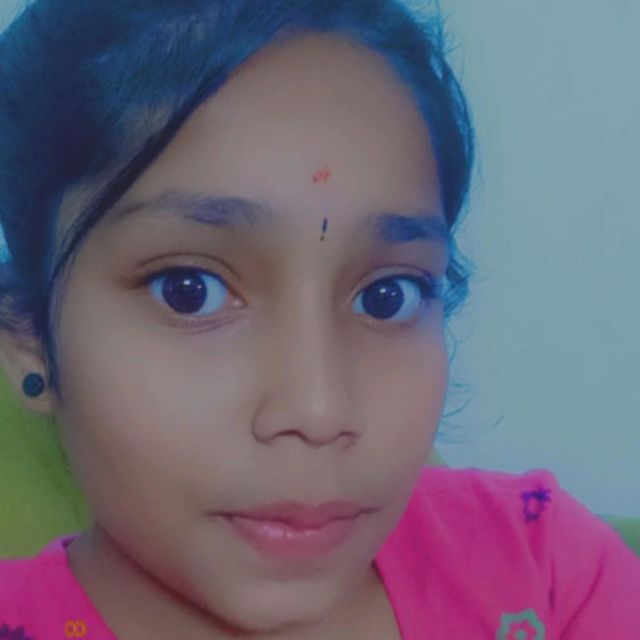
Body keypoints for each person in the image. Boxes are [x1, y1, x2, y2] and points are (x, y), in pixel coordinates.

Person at [0, 1, 638, 638]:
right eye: (190, 291)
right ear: (28, 336)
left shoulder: (546, 573)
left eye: (387, 296)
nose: (319, 409)